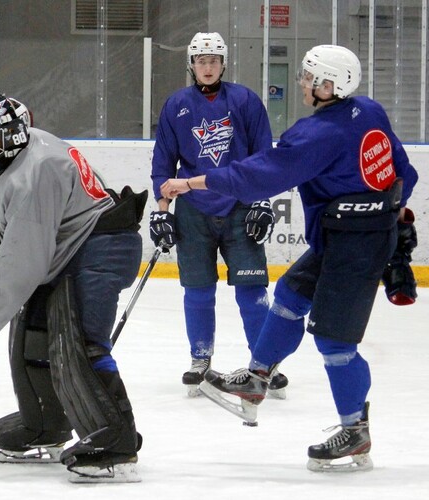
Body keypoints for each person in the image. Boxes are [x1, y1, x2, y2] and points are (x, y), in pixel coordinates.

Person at [160, 45, 419, 472]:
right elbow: (403, 171)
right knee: (290, 294)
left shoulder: (318, 134)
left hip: (355, 244)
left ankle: (354, 430)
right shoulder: (369, 111)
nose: (302, 83)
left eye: (308, 78)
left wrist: (193, 183)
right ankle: (258, 376)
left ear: (330, 85)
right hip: (351, 235)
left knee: (336, 343)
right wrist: (395, 210)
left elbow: (258, 173)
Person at [0, 95, 146, 483]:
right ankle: (46, 423)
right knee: (35, 331)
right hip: (79, 246)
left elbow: (26, 253)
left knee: (82, 344)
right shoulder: (30, 149)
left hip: (100, 249)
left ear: (12, 135)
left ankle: (117, 443)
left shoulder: (37, 170)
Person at [149, 31, 286, 397]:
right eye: (201, 61)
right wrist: (162, 211)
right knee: (197, 290)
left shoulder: (244, 101)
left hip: (240, 206)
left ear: (223, 63)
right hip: (193, 211)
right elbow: (163, 168)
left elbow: (263, 158)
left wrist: (261, 201)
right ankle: (200, 359)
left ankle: (264, 363)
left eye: (213, 60)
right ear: (191, 65)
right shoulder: (176, 105)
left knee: (252, 290)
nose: (207, 67)